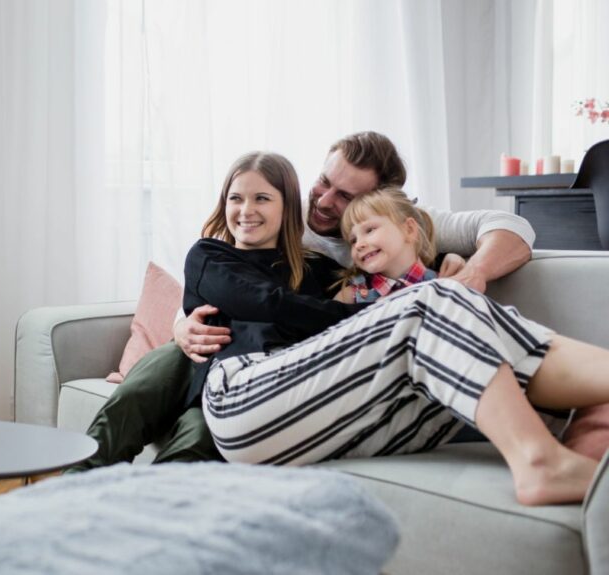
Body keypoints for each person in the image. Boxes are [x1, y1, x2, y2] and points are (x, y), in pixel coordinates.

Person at [67, 131, 535, 472]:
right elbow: (217, 286)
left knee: (197, 437)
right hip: (205, 348)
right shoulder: (271, 223)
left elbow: (511, 227)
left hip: (259, 368)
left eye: (345, 196)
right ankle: (73, 490)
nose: (325, 200)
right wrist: (180, 323)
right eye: (323, 182)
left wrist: (464, 273)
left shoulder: (377, 235)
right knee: (144, 391)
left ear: (379, 205)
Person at [191, 152, 602, 505]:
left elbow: (396, 267)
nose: (246, 210)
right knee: (430, 301)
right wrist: (180, 327)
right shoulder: (210, 255)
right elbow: (266, 302)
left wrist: (456, 269)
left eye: (262, 198)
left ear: (286, 207)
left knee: (458, 321)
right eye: (236, 198)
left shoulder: (319, 267)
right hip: (243, 396)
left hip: (319, 406)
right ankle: (538, 462)